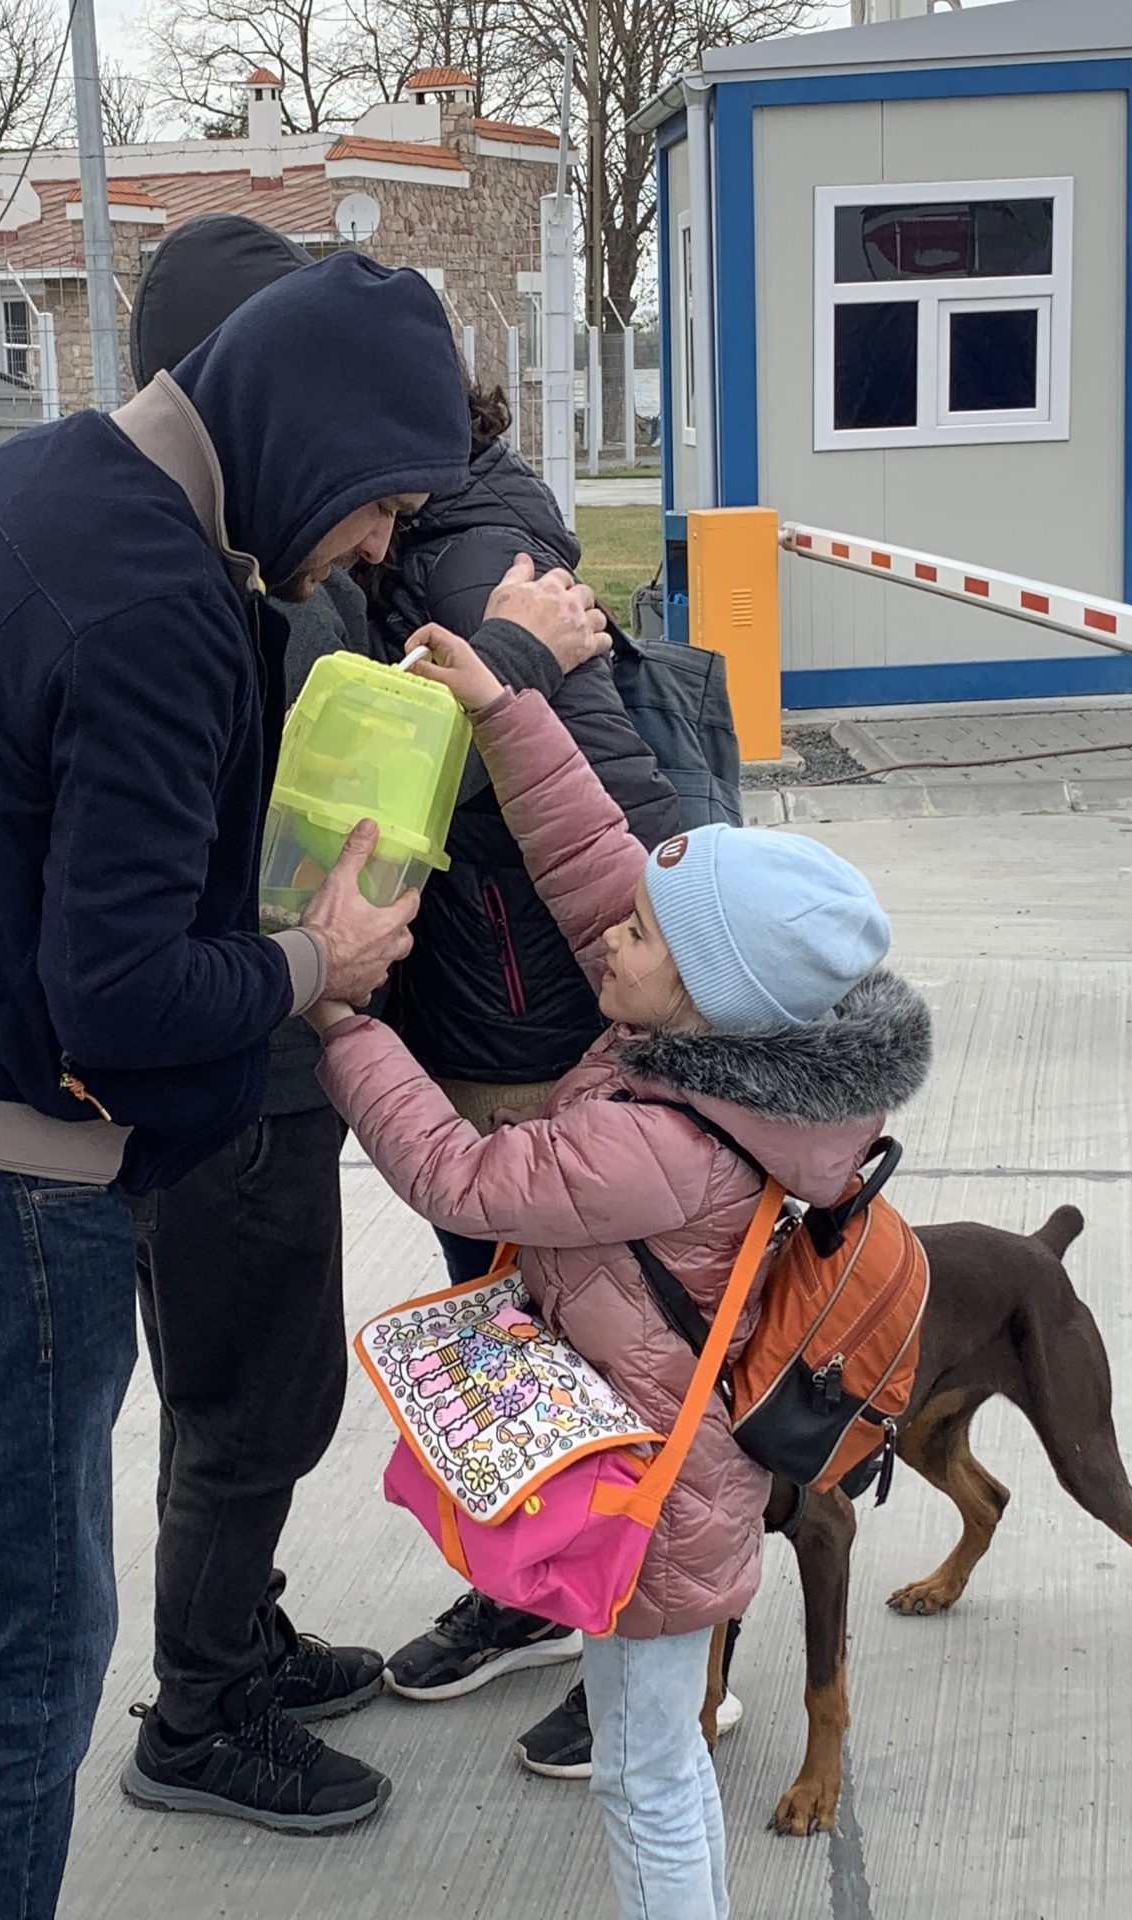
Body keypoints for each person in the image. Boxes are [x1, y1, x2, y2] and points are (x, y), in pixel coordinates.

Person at [0, 254, 470, 1920]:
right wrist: (320, 962)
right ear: (315, 438)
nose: (377, 547)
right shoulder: (159, 602)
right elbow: (129, 994)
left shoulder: (39, 473)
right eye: (381, 504)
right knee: (29, 1651)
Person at [305, 626, 932, 1920]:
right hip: (672, 1462)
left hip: (650, 1505)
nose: (607, 942)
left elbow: (463, 1182)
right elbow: (601, 868)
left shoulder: (660, 1141)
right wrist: (503, 709)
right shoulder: (720, 1043)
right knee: (657, 1762)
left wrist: (341, 1021)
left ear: (703, 991)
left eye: (639, 938)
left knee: (646, 1775)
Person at [116, 215, 617, 1834]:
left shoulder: (226, 545)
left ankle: (238, 1637)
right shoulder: (239, 571)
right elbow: (339, 782)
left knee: (249, 1385)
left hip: (277, 1040)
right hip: (244, 1049)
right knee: (249, 1400)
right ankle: (200, 1714)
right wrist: (518, 665)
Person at [365, 389, 688, 1759]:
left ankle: (674, 1646)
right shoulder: (398, 542)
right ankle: (539, 1589)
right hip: (469, 1016)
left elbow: (612, 783)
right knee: (512, 1335)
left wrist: (691, 973)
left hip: (545, 1027)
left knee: (618, 1348)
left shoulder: (476, 548)